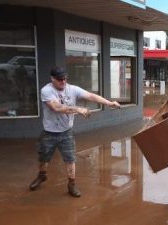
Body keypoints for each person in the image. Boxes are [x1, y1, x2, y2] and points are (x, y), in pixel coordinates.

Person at [29, 66, 120, 197]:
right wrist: (78, 109)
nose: (63, 82)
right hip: (49, 132)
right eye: (60, 80)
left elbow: (91, 96)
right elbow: (56, 107)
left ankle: (72, 184)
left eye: (65, 79)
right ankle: (42, 175)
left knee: (70, 159)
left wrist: (109, 103)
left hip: (66, 132)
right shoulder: (46, 90)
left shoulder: (72, 89)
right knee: (43, 158)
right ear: (52, 79)